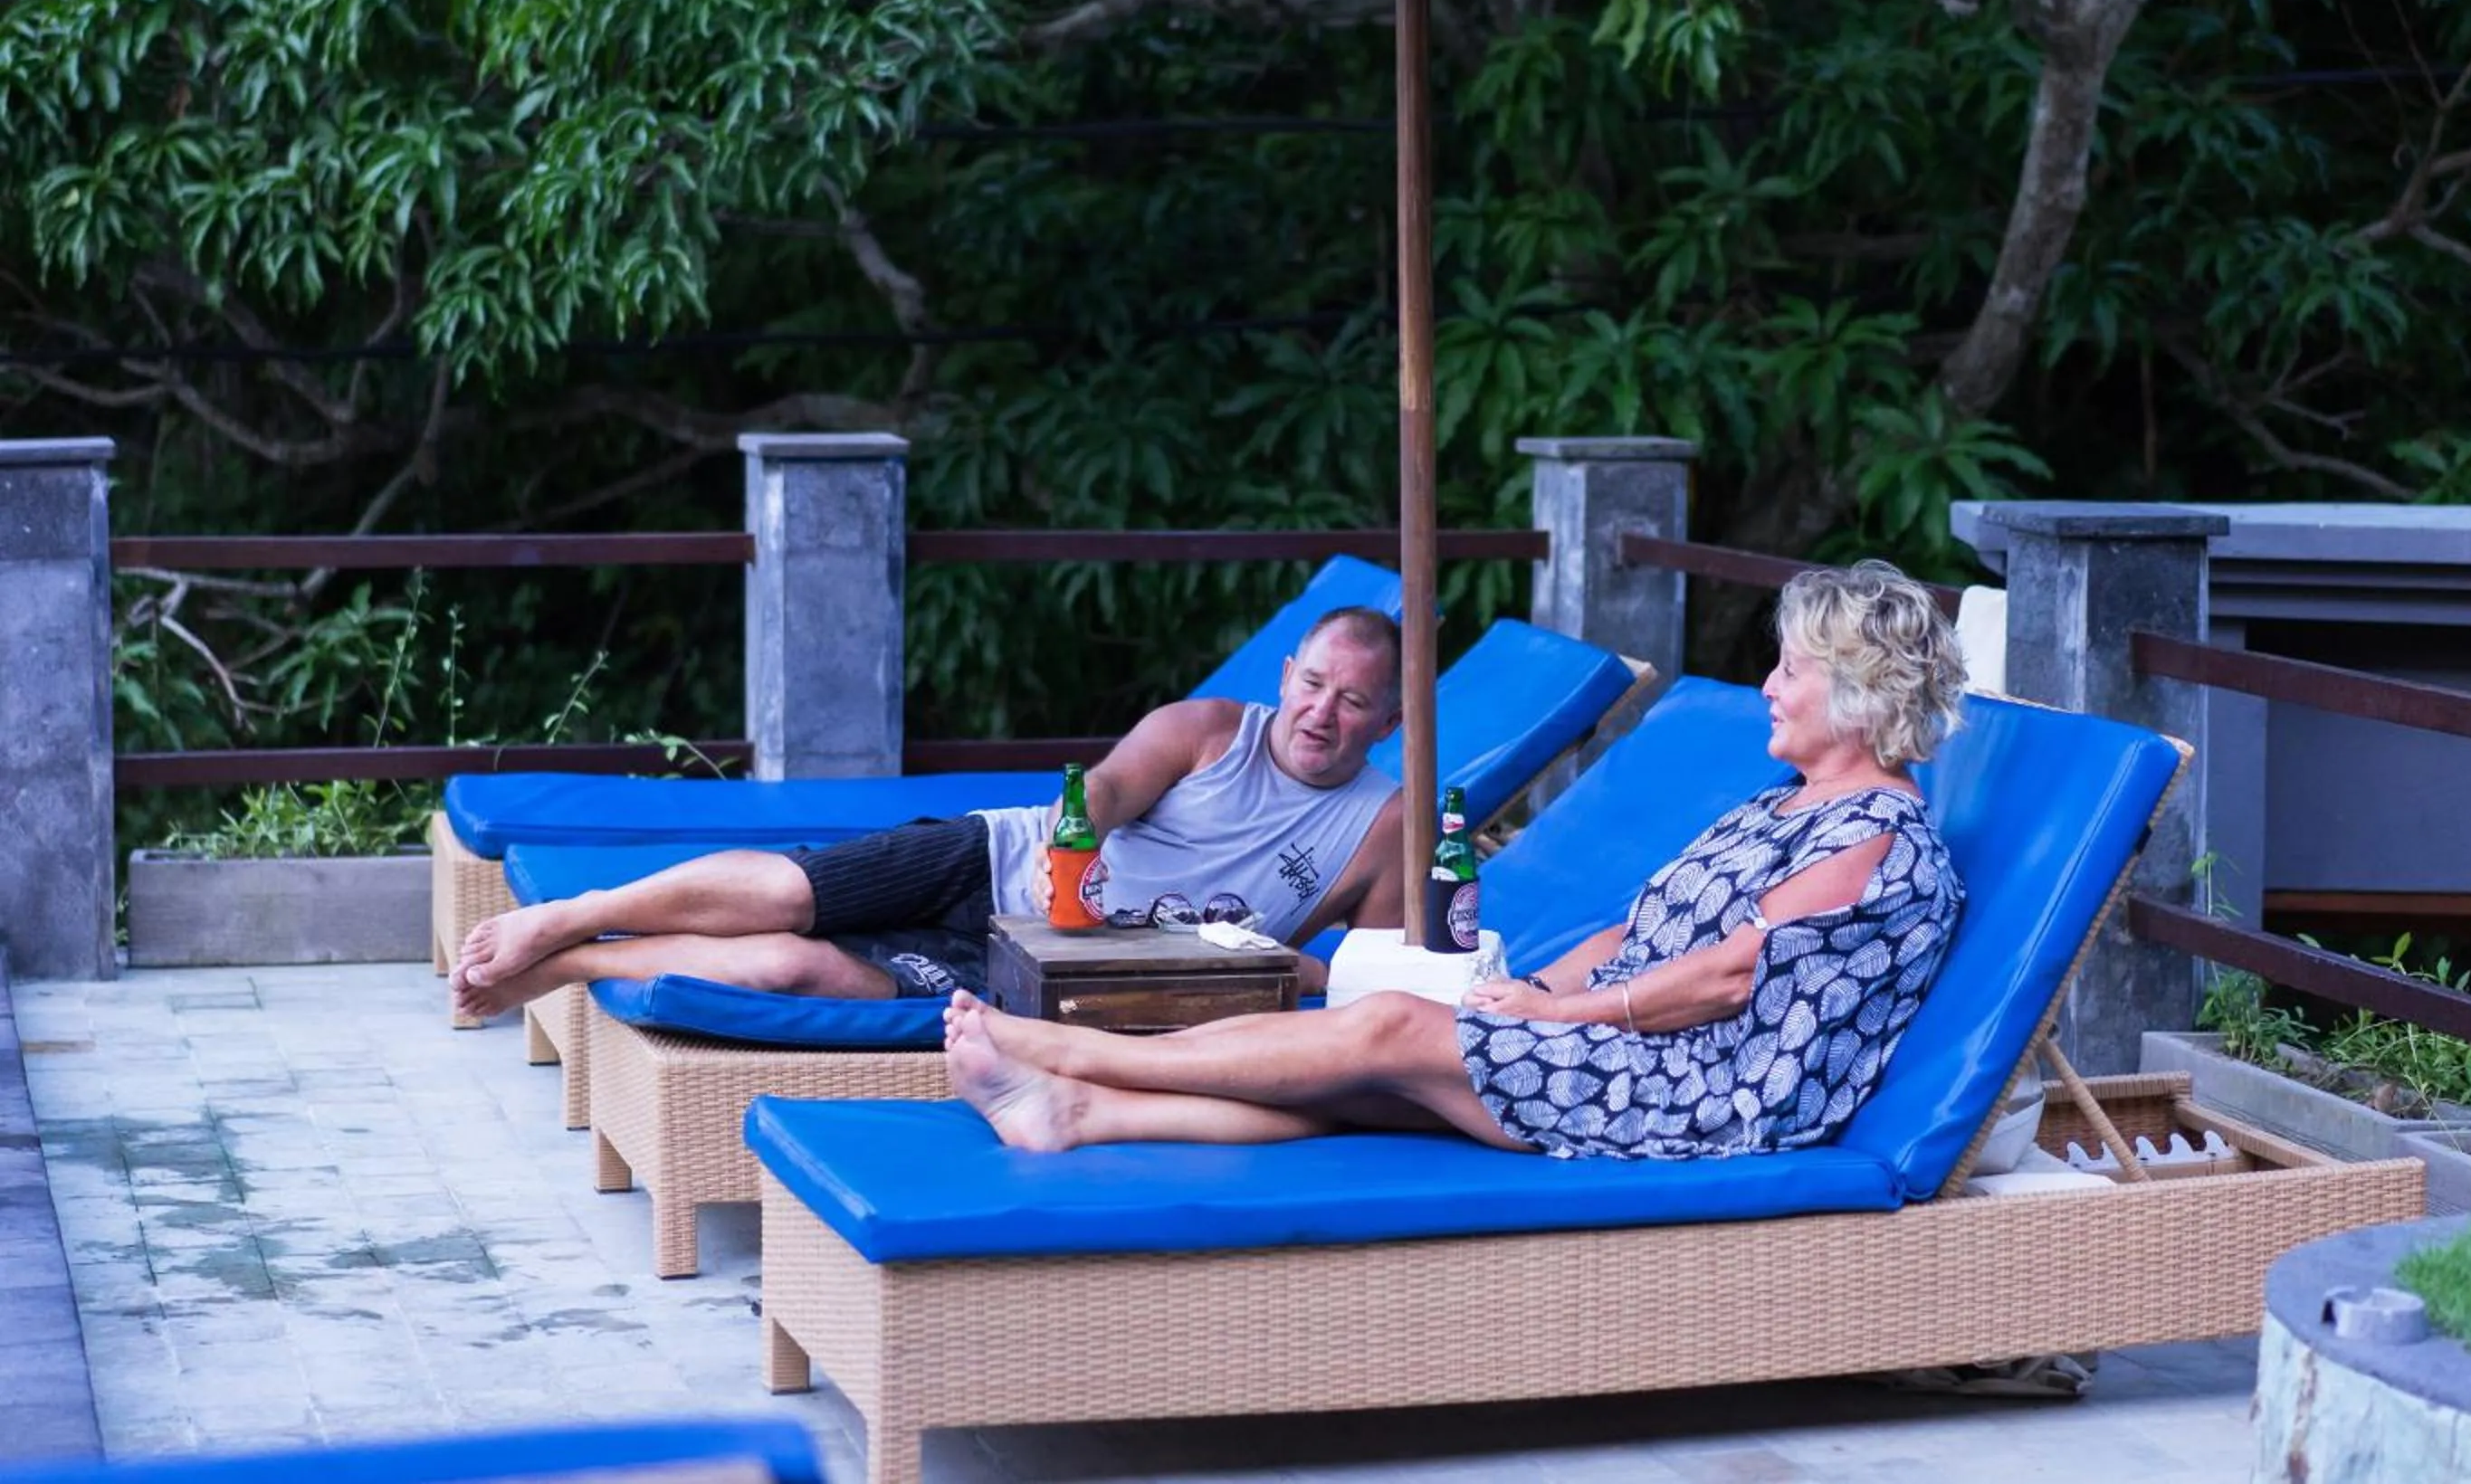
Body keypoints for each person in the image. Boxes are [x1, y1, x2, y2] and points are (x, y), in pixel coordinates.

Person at [946, 557, 1969, 1160]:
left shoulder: (1878, 836)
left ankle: (1065, 1054)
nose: (1771, 687)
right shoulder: (1786, 806)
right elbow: (1638, 934)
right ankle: (1081, 1112)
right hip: (1631, 1046)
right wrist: (1517, 994)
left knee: (1382, 1024)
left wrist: (1558, 1014)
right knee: (1372, 1080)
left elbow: (1729, 974)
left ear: (1862, 696)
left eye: (1791, 669)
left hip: (1705, 1096)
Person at [448, 605, 1410, 1019]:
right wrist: (1080, 829)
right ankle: (565, 916)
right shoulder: (1208, 729)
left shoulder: (1384, 827)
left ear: (1389, 721)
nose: (1321, 714)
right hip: (997, 862)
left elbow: (1363, 976)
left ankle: (574, 965)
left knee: (793, 968)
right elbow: (1110, 789)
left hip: (1050, 973)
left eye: (1353, 702)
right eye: (1313, 684)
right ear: (1287, 675)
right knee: (787, 894)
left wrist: (1280, 967)